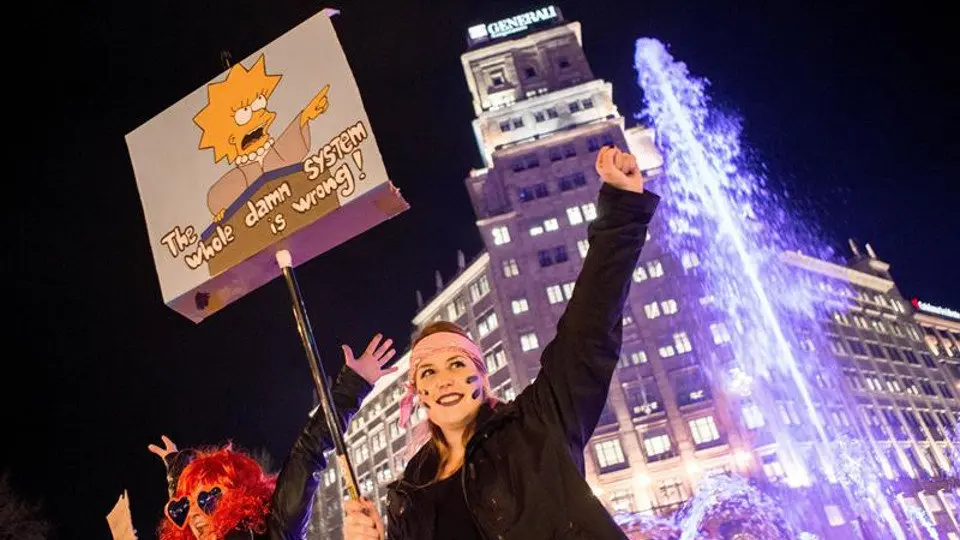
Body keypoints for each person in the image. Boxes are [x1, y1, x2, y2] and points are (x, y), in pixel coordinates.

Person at [343, 145, 659, 539]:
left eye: (457, 365)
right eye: (429, 371)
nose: (444, 380)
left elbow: (588, 328)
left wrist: (622, 209)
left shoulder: (537, 426)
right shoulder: (410, 496)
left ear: (481, 378)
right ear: (417, 392)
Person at [151, 333, 397, 540]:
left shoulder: (275, 529)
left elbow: (307, 454)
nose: (194, 513)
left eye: (207, 499)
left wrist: (352, 385)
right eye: (183, 506)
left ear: (238, 499)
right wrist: (176, 471)